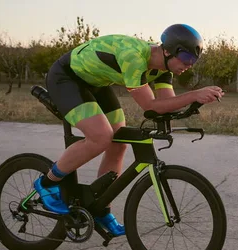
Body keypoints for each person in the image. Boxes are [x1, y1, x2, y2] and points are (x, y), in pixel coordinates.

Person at [33, 24, 224, 236]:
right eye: (187, 59)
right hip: (67, 78)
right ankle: (47, 183)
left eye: (193, 61)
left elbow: (167, 104)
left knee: (119, 141)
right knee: (101, 137)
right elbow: (151, 106)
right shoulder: (134, 57)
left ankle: (101, 209)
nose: (189, 65)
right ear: (168, 51)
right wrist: (194, 94)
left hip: (97, 83)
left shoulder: (163, 69)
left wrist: (198, 101)